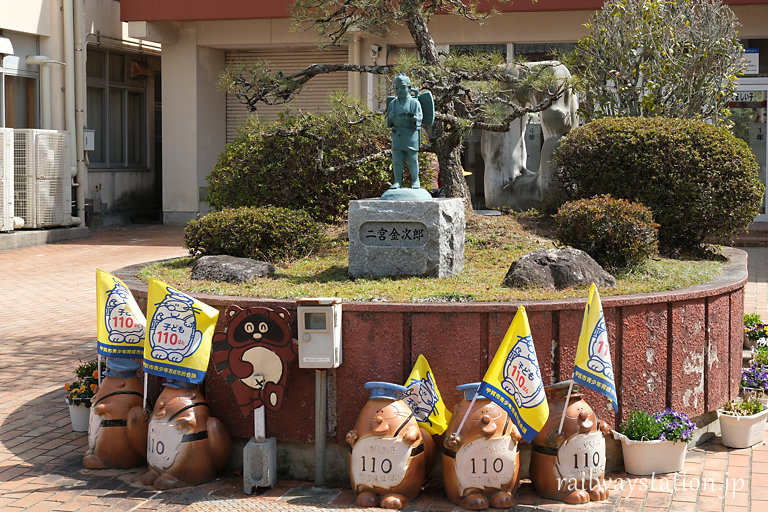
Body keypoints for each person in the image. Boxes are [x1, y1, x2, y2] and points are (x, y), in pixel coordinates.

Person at [386, 74, 423, 189]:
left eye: (402, 87)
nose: (399, 90)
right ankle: (397, 181)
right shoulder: (393, 104)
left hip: (411, 133)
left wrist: (414, 118)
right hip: (398, 134)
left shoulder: (414, 103)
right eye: (396, 88)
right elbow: (388, 121)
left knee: (412, 158)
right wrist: (391, 117)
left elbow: (420, 118)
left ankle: (415, 180)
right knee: (397, 159)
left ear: (409, 88)